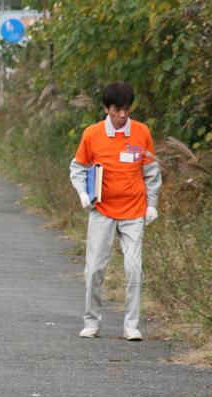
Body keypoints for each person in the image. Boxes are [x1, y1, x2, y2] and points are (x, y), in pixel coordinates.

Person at [68, 82, 162, 341]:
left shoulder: (141, 132)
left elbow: (151, 171)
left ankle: (131, 324)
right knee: (95, 268)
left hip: (134, 211)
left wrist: (152, 204)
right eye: (117, 109)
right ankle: (92, 321)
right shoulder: (92, 134)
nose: (122, 115)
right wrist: (83, 193)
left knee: (134, 268)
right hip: (103, 210)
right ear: (106, 109)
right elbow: (77, 167)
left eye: (126, 109)